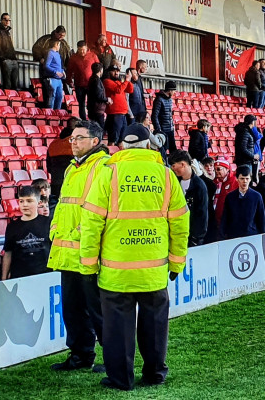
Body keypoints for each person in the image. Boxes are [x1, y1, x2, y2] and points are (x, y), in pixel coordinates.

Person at [79, 124, 189, 391]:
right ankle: (154, 373)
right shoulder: (165, 175)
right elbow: (180, 223)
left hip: (116, 272)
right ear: (149, 146)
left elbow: (91, 223)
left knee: (117, 329)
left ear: (122, 147)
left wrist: (88, 265)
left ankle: (121, 378)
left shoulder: (108, 174)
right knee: (155, 325)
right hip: (153, 270)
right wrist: (177, 262)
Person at [47, 121, 110, 371]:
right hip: (67, 252)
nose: (73, 143)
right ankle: (80, 355)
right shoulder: (71, 168)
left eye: (79, 138)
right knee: (72, 309)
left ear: (95, 141)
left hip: (89, 251)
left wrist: (78, 234)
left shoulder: (104, 166)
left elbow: (99, 209)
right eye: (72, 139)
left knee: (98, 309)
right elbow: (63, 204)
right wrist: (54, 229)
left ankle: (112, 356)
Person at [2, 186, 51, 279]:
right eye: (21, 201)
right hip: (20, 277)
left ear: (39, 203)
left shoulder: (48, 223)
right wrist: (3, 279)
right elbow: (8, 254)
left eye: (29, 201)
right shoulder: (12, 226)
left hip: (45, 276)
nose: (24, 205)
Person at [169, 151, 209, 246]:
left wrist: (197, 237)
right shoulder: (174, 182)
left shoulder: (199, 186)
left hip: (192, 238)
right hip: (176, 233)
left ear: (182, 164)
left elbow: (202, 214)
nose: (172, 169)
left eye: (174, 166)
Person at [220, 165, 265, 239]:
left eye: (247, 179)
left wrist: (263, 236)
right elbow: (225, 217)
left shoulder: (257, 196)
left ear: (250, 179)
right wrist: (223, 234)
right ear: (237, 179)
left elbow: (261, 219)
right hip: (234, 236)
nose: (244, 181)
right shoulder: (230, 197)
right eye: (242, 178)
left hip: (251, 235)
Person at [66, 40, 99, 120]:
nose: (82, 52)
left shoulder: (93, 56)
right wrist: (69, 81)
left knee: (91, 103)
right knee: (81, 103)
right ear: (77, 49)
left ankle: (92, 119)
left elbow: (98, 68)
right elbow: (69, 70)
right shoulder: (73, 58)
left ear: (86, 47)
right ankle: (83, 120)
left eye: (83, 50)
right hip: (79, 84)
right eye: (80, 50)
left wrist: (97, 80)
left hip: (90, 84)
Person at [102, 66, 134, 145]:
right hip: (114, 113)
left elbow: (130, 90)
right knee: (113, 139)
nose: (116, 73)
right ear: (109, 72)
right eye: (114, 71)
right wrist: (126, 81)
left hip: (123, 113)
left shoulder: (120, 82)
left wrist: (128, 81)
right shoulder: (107, 81)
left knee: (121, 139)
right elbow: (118, 90)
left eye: (118, 71)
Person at [208, 160, 236, 243]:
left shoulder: (234, 182)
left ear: (227, 169)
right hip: (216, 221)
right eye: (215, 169)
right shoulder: (215, 182)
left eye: (219, 169)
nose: (216, 172)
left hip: (228, 222)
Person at [0, 13, 21, 90]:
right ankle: (8, 98)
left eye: (9, 20)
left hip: (12, 59)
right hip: (6, 59)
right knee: (7, 83)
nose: (7, 21)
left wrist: (14, 58)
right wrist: (2, 58)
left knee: (14, 83)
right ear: (1, 20)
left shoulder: (7, 31)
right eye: (5, 19)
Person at [151, 81, 177, 160]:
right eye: (174, 90)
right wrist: (159, 129)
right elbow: (154, 116)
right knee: (163, 151)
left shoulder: (169, 100)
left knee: (174, 151)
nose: (175, 92)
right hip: (163, 130)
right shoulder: (159, 99)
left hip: (170, 129)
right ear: (170, 90)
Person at [44, 39, 66, 110]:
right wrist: (55, 72)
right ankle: (50, 113)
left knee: (59, 97)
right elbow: (46, 65)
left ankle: (57, 112)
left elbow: (59, 66)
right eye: (59, 45)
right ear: (56, 45)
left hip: (59, 79)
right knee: (52, 96)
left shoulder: (57, 54)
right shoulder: (50, 53)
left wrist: (62, 71)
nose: (59, 47)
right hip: (52, 78)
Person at [86, 62, 108, 127]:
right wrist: (107, 99)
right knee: (99, 130)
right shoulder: (96, 80)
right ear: (101, 70)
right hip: (97, 109)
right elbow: (98, 95)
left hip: (93, 109)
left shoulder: (92, 79)